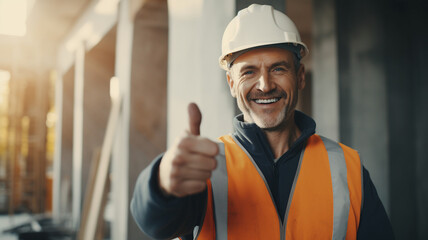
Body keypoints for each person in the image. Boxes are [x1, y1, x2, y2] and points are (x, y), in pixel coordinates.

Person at [131, 4, 394, 240]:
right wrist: (161, 182)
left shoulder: (347, 168)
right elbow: (156, 224)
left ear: (300, 76)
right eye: (249, 71)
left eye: (278, 68)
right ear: (232, 84)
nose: (265, 85)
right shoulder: (206, 169)